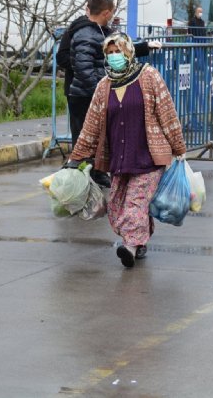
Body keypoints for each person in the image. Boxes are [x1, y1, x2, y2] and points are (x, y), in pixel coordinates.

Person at [63, 32, 187, 268]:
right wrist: (76, 157)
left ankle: (129, 245)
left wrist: (178, 147)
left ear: (129, 51)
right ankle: (140, 239)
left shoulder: (149, 76)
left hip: (148, 157)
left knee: (135, 203)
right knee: (118, 205)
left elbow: (167, 113)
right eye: (109, 53)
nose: (114, 57)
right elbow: (90, 125)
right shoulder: (104, 86)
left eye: (118, 51)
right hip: (119, 159)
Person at [57, 0, 158, 146]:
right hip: (84, 93)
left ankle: (96, 169)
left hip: (93, 90)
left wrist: (145, 47)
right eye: (112, 12)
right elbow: (76, 64)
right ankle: (84, 168)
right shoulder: (82, 32)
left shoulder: (102, 31)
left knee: (98, 139)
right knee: (85, 141)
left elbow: (118, 49)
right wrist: (99, 89)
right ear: (106, 12)